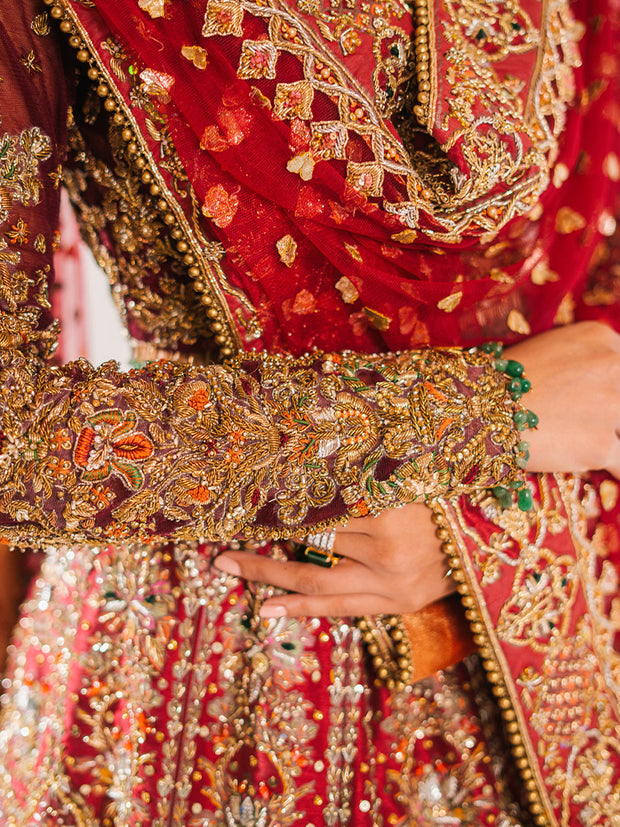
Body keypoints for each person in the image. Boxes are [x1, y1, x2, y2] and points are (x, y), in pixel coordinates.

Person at [0, 0, 618, 824]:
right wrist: (482, 418)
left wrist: (485, 504)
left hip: (553, 614)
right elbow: (13, 438)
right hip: (214, 655)